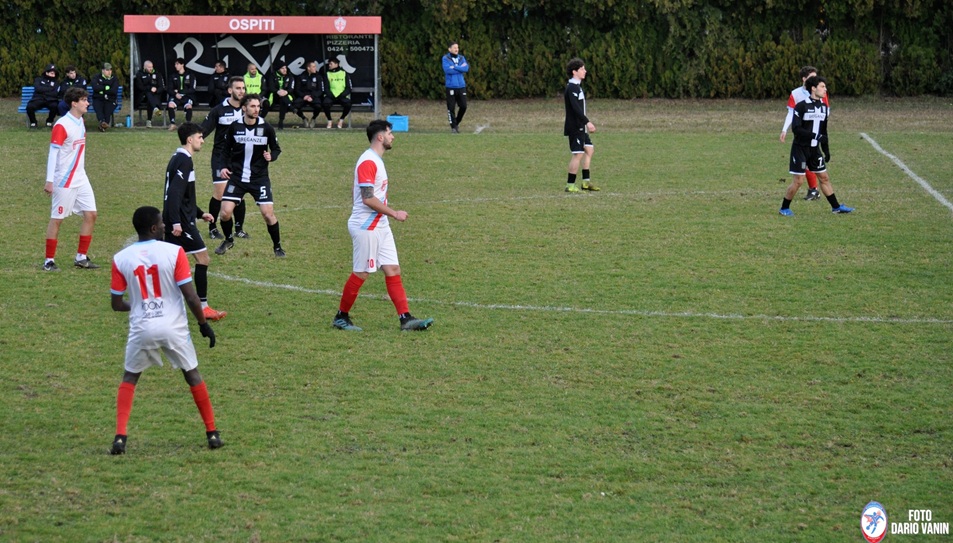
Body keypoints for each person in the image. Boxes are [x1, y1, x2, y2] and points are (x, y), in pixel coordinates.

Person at [109, 205, 222, 455]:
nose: (164, 227)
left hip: (142, 328)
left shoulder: (121, 258)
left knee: (130, 377)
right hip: (173, 327)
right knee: (192, 374)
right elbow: (191, 297)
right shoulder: (174, 252)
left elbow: (116, 304)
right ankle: (212, 433)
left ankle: (120, 437)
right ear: (153, 228)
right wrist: (203, 324)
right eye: (161, 223)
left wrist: (140, 305)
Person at [332, 119, 434, 332]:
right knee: (362, 272)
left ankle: (406, 318)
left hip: (380, 224)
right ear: (380, 137)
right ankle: (341, 317)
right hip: (366, 225)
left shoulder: (376, 160)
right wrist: (394, 213)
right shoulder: (368, 161)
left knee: (393, 268)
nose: (392, 137)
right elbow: (367, 198)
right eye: (389, 133)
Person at [163, 123, 227, 321]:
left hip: (180, 218)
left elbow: (183, 195)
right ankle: (203, 307)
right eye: (200, 137)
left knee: (169, 264)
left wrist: (200, 213)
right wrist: (176, 222)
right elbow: (174, 194)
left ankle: (160, 303)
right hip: (181, 222)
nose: (202, 141)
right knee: (203, 259)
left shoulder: (178, 158)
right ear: (189, 139)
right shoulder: (184, 161)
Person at [216, 94, 285, 257]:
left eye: (258, 106)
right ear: (244, 108)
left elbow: (276, 149)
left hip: (259, 179)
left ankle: (277, 247)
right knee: (225, 213)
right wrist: (223, 167)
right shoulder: (234, 127)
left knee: (268, 214)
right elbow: (225, 150)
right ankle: (228, 240)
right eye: (253, 106)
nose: (256, 109)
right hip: (237, 178)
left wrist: (271, 156)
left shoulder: (266, 127)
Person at [779, 76, 854, 216]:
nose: (825, 89)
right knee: (798, 181)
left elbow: (823, 131)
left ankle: (836, 207)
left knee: (824, 178)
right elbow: (796, 129)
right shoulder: (801, 106)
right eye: (822, 87)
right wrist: (815, 136)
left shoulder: (824, 108)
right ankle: (784, 208)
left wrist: (826, 150)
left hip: (815, 150)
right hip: (800, 149)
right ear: (813, 88)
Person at [42, 86, 99, 271]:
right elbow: (53, 153)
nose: (87, 103)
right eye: (84, 100)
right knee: (57, 219)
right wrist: (50, 180)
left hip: (81, 178)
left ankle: (81, 257)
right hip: (64, 180)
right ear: (74, 103)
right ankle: (49, 261)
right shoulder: (62, 125)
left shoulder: (80, 121)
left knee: (91, 214)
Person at [201, 76, 250, 241]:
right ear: (230, 90)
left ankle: (239, 229)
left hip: (240, 158)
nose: (241, 91)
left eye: (243, 88)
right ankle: (212, 228)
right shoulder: (219, 110)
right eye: (238, 88)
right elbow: (204, 130)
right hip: (220, 157)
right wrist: (192, 142)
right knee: (220, 192)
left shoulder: (247, 109)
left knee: (239, 193)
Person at [780, 66, 831, 201]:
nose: (816, 79)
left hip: (814, 135)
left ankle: (815, 190)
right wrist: (784, 129)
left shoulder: (821, 92)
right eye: (812, 77)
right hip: (802, 132)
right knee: (803, 167)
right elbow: (791, 113)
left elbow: (826, 111)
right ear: (804, 79)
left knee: (813, 165)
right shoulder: (796, 94)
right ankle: (812, 190)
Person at [563, 58, 598, 193]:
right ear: (574, 72)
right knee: (578, 154)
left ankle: (585, 182)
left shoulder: (577, 87)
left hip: (581, 127)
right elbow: (576, 109)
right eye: (582, 69)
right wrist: (587, 122)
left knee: (589, 150)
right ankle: (570, 185)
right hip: (575, 127)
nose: (585, 71)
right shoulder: (571, 88)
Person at [442, 42, 469, 134]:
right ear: (449, 49)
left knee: (464, 106)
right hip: (451, 87)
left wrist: (454, 67)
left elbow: (465, 68)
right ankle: (453, 127)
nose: (456, 49)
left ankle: (456, 122)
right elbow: (447, 70)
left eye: (457, 47)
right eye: (454, 48)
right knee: (451, 108)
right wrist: (459, 68)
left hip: (461, 86)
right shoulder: (445, 58)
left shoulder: (461, 58)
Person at [166, 57, 197, 131]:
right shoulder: (173, 76)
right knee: (170, 104)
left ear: (182, 64)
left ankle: (188, 125)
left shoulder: (190, 75)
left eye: (177, 64)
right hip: (176, 96)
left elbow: (192, 89)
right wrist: (175, 94)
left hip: (187, 96)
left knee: (188, 106)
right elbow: (169, 89)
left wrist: (180, 91)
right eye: (175, 64)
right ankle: (172, 124)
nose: (175, 66)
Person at [321, 57, 352, 129]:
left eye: (331, 64)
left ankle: (341, 120)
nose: (329, 65)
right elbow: (325, 88)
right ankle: (329, 120)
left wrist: (342, 95)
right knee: (325, 104)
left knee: (348, 104)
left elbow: (349, 87)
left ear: (336, 64)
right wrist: (331, 95)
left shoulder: (344, 73)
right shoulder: (327, 74)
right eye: (329, 64)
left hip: (342, 96)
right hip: (331, 96)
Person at [27, 64, 60, 128]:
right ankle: (33, 122)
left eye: (54, 74)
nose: (53, 75)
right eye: (52, 73)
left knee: (55, 106)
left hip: (51, 100)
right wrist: (50, 89)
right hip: (38, 99)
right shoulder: (38, 79)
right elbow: (38, 88)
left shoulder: (56, 82)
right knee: (30, 106)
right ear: (47, 73)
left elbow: (55, 93)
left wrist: (44, 90)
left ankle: (49, 121)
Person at [135, 60, 165, 128]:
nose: (151, 68)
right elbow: (140, 86)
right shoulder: (140, 74)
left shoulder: (157, 74)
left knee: (150, 100)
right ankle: (155, 109)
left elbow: (161, 86)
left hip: (155, 95)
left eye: (151, 67)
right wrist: (150, 88)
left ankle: (149, 120)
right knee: (148, 93)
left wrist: (156, 90)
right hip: (143, 96)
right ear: (144, 67)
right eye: (149, 67)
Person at [267, 61, 296, 130]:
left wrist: (286, 91)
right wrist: (277, 91)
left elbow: (291, 88)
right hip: (275, 96)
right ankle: (291, 107)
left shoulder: (289, 75)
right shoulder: (273, 75)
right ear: (278, 69)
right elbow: (271, 87)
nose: (285, 70)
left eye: (285, 68)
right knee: (283, 98)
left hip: (286, 96)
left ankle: (281, 121)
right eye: (282, 68)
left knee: (283, 100)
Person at [91, 62, 119, 132]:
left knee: (107, 110)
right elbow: (95, 88)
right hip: (98, 98)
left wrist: (102, 90)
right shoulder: (96, 77)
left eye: (110, 70)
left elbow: (114, 91)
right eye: (107, 70)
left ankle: (103, 124)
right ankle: (102, 122)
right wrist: (106, 87)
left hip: (110, 99)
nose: (109, 72)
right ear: (103, 70)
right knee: (98, 107)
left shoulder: (114, 79)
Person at [293, 61, 322, 128]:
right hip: (303, 96)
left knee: (318, 106)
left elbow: (320, 90)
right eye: (313, 67)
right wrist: (304, 96)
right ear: (308, 68)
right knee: (295, 106)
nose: (315, 68)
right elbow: (297, 90)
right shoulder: (301, 77)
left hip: (313, 97)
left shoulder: (318, 77)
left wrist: (312, 96)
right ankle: (304, 118)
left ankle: (314, 118)